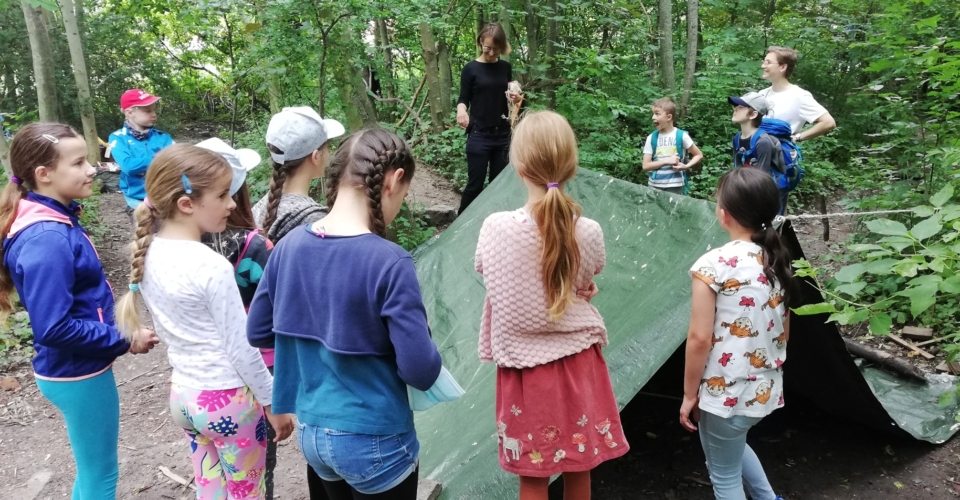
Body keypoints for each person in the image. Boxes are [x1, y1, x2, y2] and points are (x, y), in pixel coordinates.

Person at [247, 128, 443, 500]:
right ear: (394, 179)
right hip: (375, 437)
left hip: (313, 435)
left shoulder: (287, 247)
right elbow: (420, 371)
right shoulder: (390, 261)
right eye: (403, 194)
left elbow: (258, 331)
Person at [116, 144, 294, 499]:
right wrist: (274, 403)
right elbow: (240, 347)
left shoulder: (149, 251)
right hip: (228, 402)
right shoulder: (208, 265)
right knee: (248, 493)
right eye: (222, 195)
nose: (232, 204)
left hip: (185, 396)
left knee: (210, 488)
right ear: (187, 204)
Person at [475, 111, 629, 500]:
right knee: (580, 466)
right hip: (579, 364)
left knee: (532, 475)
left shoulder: (497, 227)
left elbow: (485, 269)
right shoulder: (588, 230)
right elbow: (587, 275)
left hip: (524, 372)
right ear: (570, 164)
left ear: (518, 163)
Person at [0, 123, 159, 499]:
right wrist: (123, 337)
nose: (91, 169)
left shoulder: (53, 219)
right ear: (44, 174)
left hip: (76, 368)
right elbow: (53, 328)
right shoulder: (47, 238)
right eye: (79, 162)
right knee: (100, 476)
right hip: (75, 373)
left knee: (95, 470)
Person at [679, 167, 793, 500]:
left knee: (724, 477)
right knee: (731, 444)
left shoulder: (713, 264)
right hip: (766, 388)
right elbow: (784, 331)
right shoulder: (777, 259)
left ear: (723, 214)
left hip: (724, 393)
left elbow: (699, 339)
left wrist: (689, 396)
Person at [196, 137, 288, 499]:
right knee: (256, 471)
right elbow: (280, 307)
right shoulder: (255, 247)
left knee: (214, 475)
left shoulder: (178, 245)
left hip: (202, 383)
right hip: (257, 371)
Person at [455, 23, 522, 215]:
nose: (492, 53)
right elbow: (463, 98)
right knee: (474, 185)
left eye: (496, 48)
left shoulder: (505, 67)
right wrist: (461, 110)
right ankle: (459, 228)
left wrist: (516, 98)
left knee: (498, 186)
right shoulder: (470, 69)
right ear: (480, 43)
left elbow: (511, 96)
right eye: (488, 48)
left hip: (502, 135)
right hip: (479, 135)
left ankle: (495, 225)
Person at [252, 106, 345, 242]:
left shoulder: (260, 207)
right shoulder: (315, 221)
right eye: (327, 148)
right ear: (316, 157)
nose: (329, 153)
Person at [107, 89, 174, 214]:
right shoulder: (118, 138)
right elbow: (128, 166)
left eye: (154, 110)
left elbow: (177, 162)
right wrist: (163, 158)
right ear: (129, 112)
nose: (154, 114)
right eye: (148, 111)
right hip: (137, 201)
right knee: (146, 233)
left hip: (166, 198)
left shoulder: (163, 137)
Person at [729, 92, 790, 214]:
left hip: (768, 192)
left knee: (771, 227)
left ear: (753, 114)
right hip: (749, 189)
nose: (735, 109)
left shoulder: (763, 141)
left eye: (741, 107)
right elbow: (738, 167)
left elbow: (763, 178)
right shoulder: (737, 138)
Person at [760, 46, 837, 142]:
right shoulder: (761, 94)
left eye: (768, 62)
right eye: (764, 62)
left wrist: (798, 137)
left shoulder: (799, 96)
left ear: (783, 67)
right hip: (757, 152)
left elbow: (828, 122)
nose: (763, 66)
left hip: (781, 154)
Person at [641, 97, 704, 195]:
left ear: (669, 117)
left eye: (657, 114)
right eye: (653, 113)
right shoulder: (651, 137)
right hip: (654, 186)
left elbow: (698, 155)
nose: (653, 117)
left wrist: (686, 166)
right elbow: (645, 166)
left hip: (675, 187)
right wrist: (666, 161)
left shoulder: (681, 135)